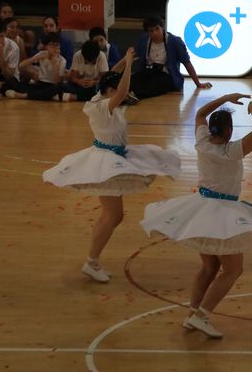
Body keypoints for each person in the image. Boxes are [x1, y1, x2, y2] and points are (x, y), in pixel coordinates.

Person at [141, 94, 252, 339]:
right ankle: (201, 316)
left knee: (209, 266)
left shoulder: (202, 142)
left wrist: (225, 98)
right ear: (229, 130)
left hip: (201, 210)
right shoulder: (232, 151)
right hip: (222, 213)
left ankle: (193, 313)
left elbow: (200, 114)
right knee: (233, 270)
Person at [43, 50, 181, 282]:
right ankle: (91, 262)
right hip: (106, 163)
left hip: (113, 158)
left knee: (112, 215)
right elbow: (122, 90)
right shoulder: (102, 106)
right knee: (113, 215)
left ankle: (92, 261)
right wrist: (129, 66)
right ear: (109, 92)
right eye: (115, 91)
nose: (122, 96)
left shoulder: (100, 97)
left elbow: (109, 77)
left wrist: (123, 62)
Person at [131, 16, 212, 99]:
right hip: (147, 71)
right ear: (147, 32)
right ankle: (129, 95)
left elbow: (187, 63)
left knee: (155, 84)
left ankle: (135, 95)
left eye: (157, 29)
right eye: (151, 31)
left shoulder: (175, 41)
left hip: (166, 75)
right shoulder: (144, 39)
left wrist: (198, 84)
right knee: (133, 80)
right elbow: (134, 55)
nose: (155, 33)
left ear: (162, 28)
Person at [7, 33, 67, 101]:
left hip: (52, 86)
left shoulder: (62, 60)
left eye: (57, 45)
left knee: (58, 88)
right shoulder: (42, 54)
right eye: (52, 45)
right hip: (40, 83)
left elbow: (57, 81)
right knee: (11, 81)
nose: (55, 47)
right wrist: (36, 58)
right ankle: (40, 95)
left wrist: (54, 64)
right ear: (46, 46)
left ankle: (23, 95)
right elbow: (21, 65)